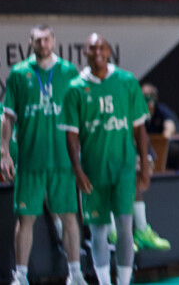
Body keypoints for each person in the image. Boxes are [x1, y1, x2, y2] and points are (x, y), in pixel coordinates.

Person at [0, 25, 84, 285]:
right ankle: (21, 276)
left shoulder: (69, 71)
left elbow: (80, 115)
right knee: (25, 219)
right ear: (31, 42)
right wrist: (4, 152)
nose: (43, 44)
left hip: (63, 160)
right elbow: (7, 116)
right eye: (38, 40)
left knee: (69, 217)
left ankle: (75, 274)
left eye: (47, 39)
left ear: (54, 41)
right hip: (30, 159)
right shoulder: (19, 72)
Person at [63, 34, 151, 285]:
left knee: (124, 225)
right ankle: (104, 282)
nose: (97, 52)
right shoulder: (75, 88)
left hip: (123, 167)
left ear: (110, 51)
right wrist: (77, 170)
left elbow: (140, 130)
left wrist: (144, 168)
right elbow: (71, 136)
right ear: (85, 52)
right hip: (93, 169)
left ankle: (123, 281)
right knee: (99, 230)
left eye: (102, 47)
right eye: (92, 48)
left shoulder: (127, 81)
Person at [127, 83, 171, 251]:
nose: (149, 104)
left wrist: (145, 163)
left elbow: (149, 155)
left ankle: (141, 230)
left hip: (127, 169)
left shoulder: (141, 125)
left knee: (135, 182)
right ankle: (114, 233)